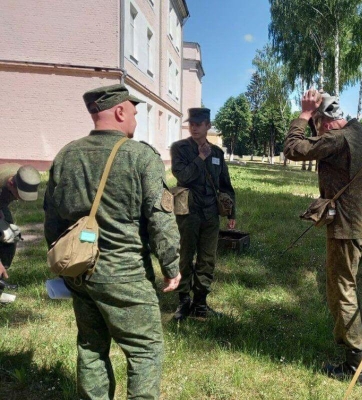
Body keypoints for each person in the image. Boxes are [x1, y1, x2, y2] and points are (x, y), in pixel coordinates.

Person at [44, 84, 181, 399]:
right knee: (145, 349)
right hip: (126, 274)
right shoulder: (140, 156)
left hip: (80, 272)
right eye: (134, 112)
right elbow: (161, 218)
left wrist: (65, 265)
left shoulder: (66, 155)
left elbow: (52, 221)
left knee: (91, 347)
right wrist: (172, 265)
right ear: (120, 111)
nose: (135, 119)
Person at [283, 90, 362, 385]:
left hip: (345, 228)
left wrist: (303, 114)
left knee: (341, 290)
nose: (316, 131)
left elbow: (293, 148)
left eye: (316, 125)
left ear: (323, 123)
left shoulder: (336, 139)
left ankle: (355, 365)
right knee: (349, 284)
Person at [170, 107, 236, 321]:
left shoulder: (217, 153)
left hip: (210, 214)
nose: (194, 127)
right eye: (191, 124)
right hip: (188, 212)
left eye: (199, 124)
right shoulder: (179, 148)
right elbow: (182, 176)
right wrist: (200, 158)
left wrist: (231, 212)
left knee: (207, 259)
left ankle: (200, 302)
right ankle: (183, 301)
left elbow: (225, 183)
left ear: (208, 125)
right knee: (186, 256)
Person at [0, 164, 41, 286]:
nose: (19, 199)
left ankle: (1, 274)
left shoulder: (23, 176)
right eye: (19, 194)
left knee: (10, 235)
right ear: (10, 184)